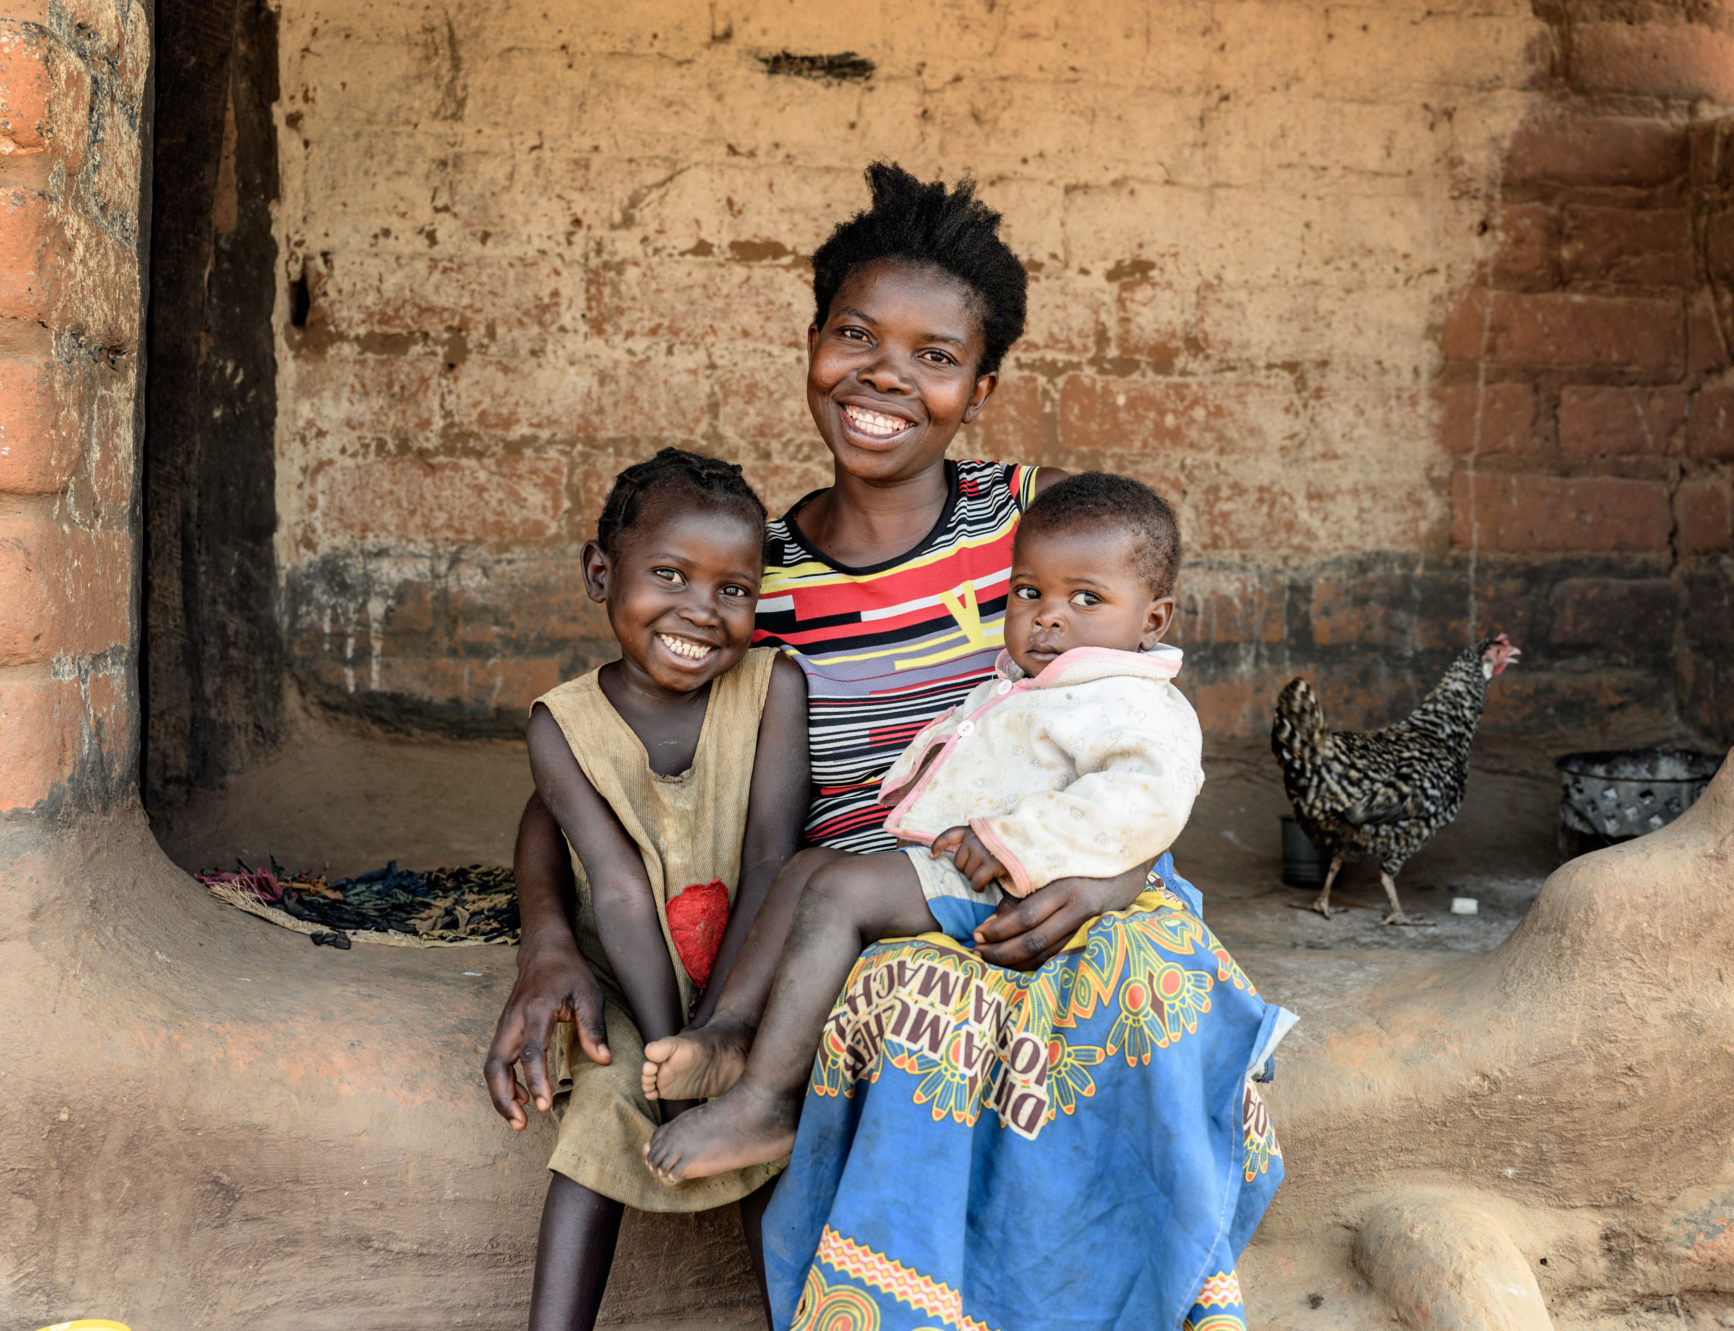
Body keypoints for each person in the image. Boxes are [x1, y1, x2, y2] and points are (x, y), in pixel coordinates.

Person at [487, 162, 1289, 1331]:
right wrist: (546, 941)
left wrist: (1105, 878)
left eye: (934, 354)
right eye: (855, 334)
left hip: (1038, 879)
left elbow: (1133, 730)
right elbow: (593, 746)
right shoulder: (746, 572)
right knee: (893, 995)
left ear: (980, 384)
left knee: (1107, 998)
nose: (884, 377)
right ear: (812, 341)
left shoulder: (1035, 529)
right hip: (833, 907)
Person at [640, 472, 1207, 1180]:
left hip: (1017, 886)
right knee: (807, 868)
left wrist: (1016, 841)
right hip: (969, 865)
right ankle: (731, 1029)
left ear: (1152, 621)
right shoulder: (1037, 678)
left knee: (841, 889)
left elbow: (1146, 797)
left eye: (1085, 599)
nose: (1049, 616)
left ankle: (767, 1101)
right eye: (1028, 592)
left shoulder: (1132, 701)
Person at [514, 448, 810, 1330]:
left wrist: (719, 1035)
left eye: (733, 589)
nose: (701, 611)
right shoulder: (561, 724)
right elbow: (615, 890)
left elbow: (770, 860)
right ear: (601, 574)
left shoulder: (774, 686)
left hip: (747, 979)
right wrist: (668, 1053)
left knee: (757, 1109)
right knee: (604, 1109)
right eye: (670, 575)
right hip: (631, 982)